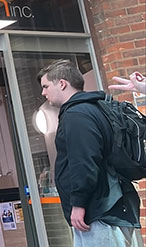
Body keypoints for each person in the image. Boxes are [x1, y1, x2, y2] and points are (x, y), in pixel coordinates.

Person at [37, 59, 142, 247]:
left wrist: (78, 204)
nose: (43, 92)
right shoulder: (98, 107)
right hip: (116, 204)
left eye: (45, 86)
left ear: (62, 84)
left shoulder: (76, 115)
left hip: (99, 210)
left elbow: (84, 162)